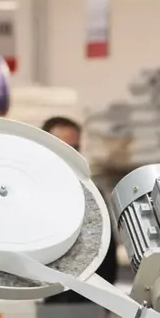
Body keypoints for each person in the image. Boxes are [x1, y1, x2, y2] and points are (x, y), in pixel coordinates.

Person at [42, 116, 118, 290]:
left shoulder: (90, 195)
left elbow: (106, 254)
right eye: (62, 148)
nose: (69, 155)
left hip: (84, 294)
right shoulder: (26, 192)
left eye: (74, 149)